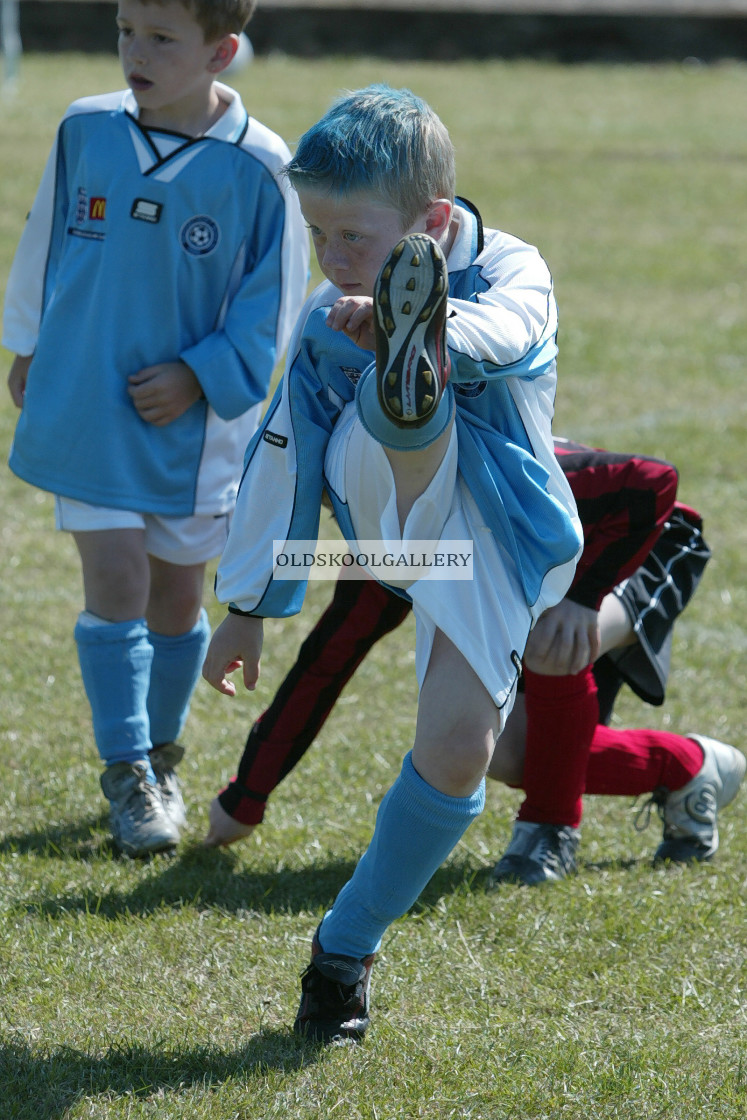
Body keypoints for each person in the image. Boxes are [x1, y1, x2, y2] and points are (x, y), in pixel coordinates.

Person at [203, 83, 584, 1043]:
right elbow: (281, 451)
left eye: (355, 240)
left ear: (435, 223)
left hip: (488, 538)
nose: (332, 260)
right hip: (389, 512)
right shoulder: (325, 317)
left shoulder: (512, 269)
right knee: (381, 412)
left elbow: (515, 333)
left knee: (459, 751)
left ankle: (343, 951)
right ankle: (401, 394)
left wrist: (437, 326)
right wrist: (248, 601)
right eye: (318, 234)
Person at [2, 0, 309, 857]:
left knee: (178, 598)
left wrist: (200, 375)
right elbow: (43, 236)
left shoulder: (261, 165)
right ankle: (128, 770)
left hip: (194, 427)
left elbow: (274, 301)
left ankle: (163, 751)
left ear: (222, 51)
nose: (136, 53)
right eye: (126, 32)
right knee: (117, 578)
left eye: (162, 38)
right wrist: (27, 341)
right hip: (89, 402)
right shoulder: (86, 128)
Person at [201, 444, 743, 873]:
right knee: (502, 752)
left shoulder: (479, 480)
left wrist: (584, 599)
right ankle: (688, 767)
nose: (338, 514)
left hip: (642, 542)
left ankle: (548, 833)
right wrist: (247, 796)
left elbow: (653, 482)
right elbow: (325, 664)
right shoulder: (394, 540)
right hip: (557, 577)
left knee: (548, 632)